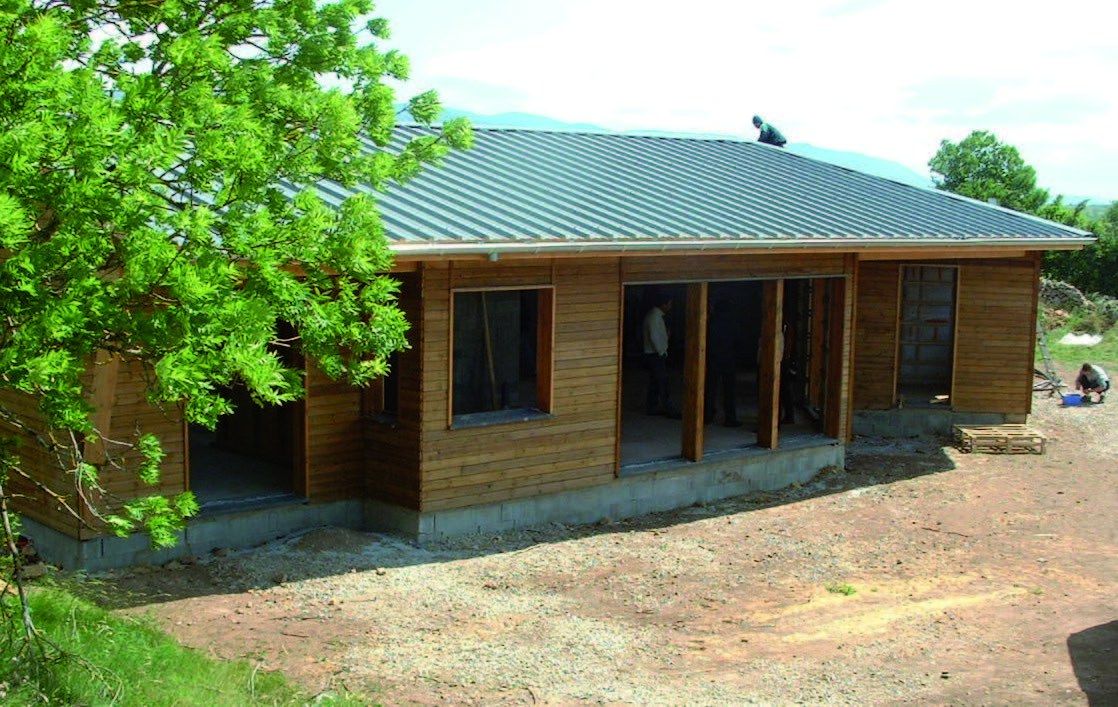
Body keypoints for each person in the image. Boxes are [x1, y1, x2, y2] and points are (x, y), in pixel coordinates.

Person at [705, 300, 742, 427]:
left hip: (712, 359)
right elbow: (738, 341)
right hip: (728, 359)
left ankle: (707, 415)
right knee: (729, 391)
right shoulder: (733, 323)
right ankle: (730, 418)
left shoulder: (710, 322)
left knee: (710, 389)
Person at [642, 294, 679, 417]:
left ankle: (652, 407)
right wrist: (661, 351)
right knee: (662, 382)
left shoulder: (655, 316)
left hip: (654, 354)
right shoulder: (654, 317)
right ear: (663, 304)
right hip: (655, 355)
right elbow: (654, 337)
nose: (670, 306)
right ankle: (670, 410)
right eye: (669, 303)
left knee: (655, 382)